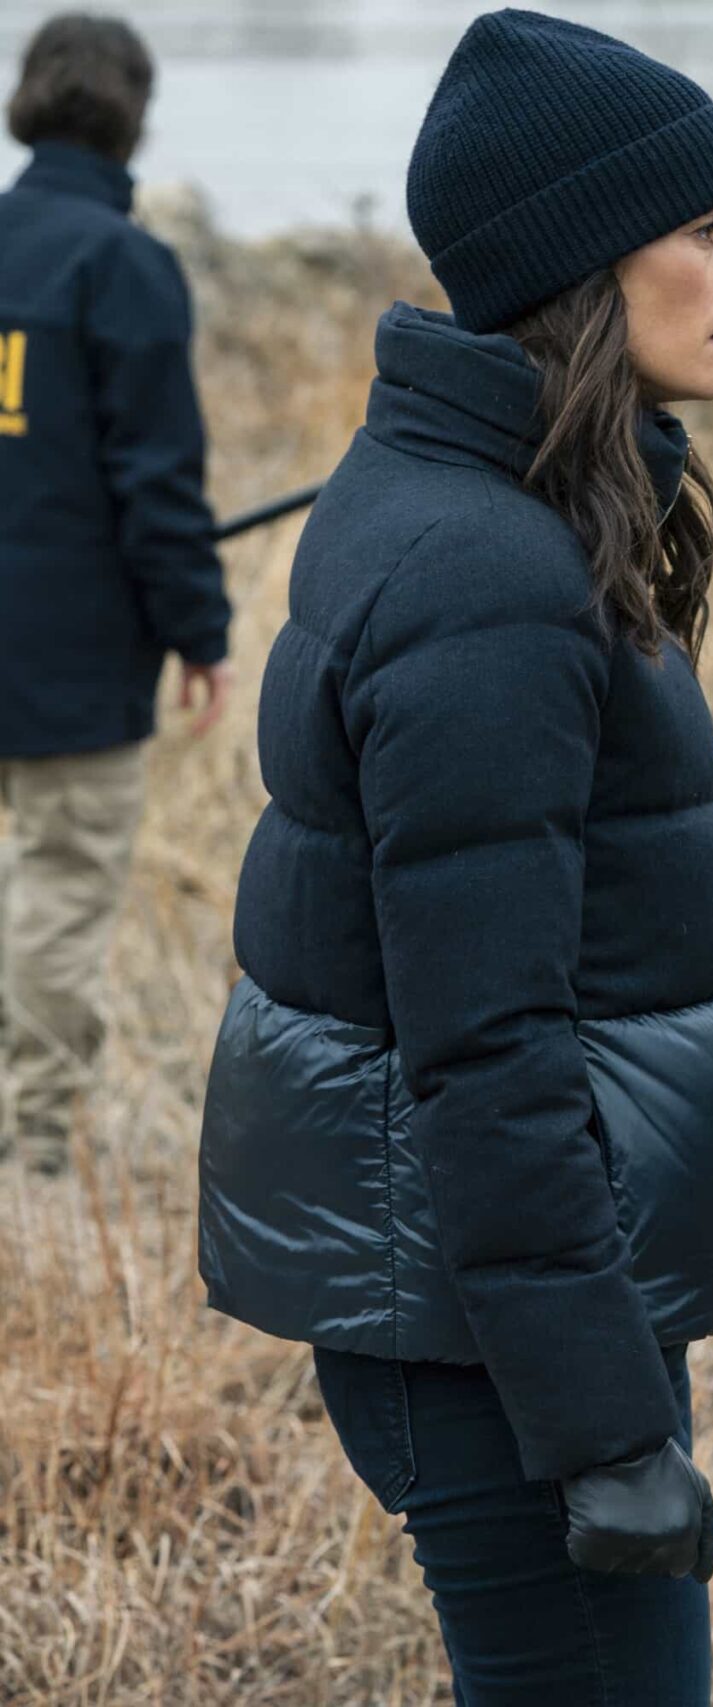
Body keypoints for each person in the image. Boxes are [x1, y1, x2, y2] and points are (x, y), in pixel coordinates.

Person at [194, 11, 713, 1701]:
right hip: (494, 1338)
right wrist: (605, 1430)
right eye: (710, 232)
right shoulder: (487, 576)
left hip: (493, 1305)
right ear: (590, 266)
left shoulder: (482, 500)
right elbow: (486, 1040)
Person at [0, 12, 230, 1178]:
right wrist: (201, 631)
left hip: (55, 642)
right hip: (70, 659)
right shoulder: (124, 267)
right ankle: (31, 1150)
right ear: (134, 114)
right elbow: (157, 481)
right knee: (58, 886)